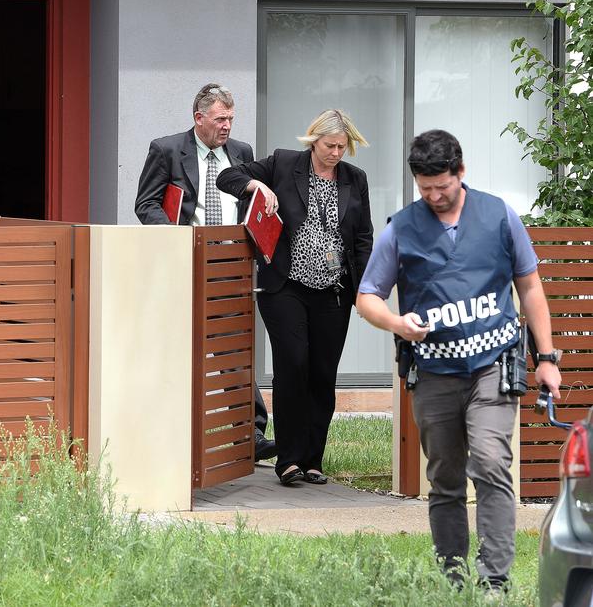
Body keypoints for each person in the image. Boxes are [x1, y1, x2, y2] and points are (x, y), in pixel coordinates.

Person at [356, 129, 562, 592]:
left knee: (490, 463)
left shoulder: (499, 216)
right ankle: (454, 579)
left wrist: (546, 357)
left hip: (493, 365)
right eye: (425, 188)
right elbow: (367, 296)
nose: (434, 196)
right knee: (445, 478)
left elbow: (530, 287)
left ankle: (495, 582)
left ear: (461, 173)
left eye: (442, 187)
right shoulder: (401, 228)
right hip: (433, 373)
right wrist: (396, 323)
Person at [217, 109, 373, 485]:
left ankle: (313, 459)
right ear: (313, 140)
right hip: (286, 287)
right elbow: (228, 176)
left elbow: (363, 237)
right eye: (329, 145)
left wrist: (367, 290)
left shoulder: (355, 179)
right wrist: (258, 187)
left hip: (333, 291)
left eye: (342, 146)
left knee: (322, 375)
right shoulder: (284, 164)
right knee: (293, 365)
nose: (336, 153)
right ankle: (287, 460)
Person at [135, 82, 276, 463]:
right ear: (199, 119)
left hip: (232, 265)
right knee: (181, 347)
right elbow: (145, 204)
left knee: (235, 348)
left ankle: (250, 433)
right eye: (220, 119)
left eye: (231, 118)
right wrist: (172, 239)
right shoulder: (166, 150)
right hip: (187, 261)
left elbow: (249, 202)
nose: (227, 125)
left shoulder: (241, 152)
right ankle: (168, 430)